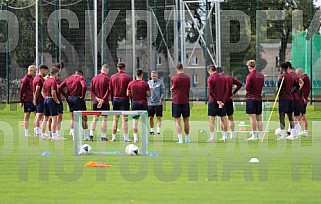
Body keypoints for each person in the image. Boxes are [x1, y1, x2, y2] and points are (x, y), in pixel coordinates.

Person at [59, 70, 88, 140]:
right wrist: (82, 96)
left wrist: (66, 96)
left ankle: (74, 136)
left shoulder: (68, 78)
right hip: (78, 98)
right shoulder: (80, 78)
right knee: (83, 117)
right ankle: (86, 136)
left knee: (73, 117)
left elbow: (59, 87)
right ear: (81, 74)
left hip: (70, 99)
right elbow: (84, 86)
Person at [110, 62, 132, 142]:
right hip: (124, 99)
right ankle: (125, 137)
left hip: (115, 99)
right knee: (125, 119)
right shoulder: (127, 77)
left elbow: (110, 90)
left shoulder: (112, 77)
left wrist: (112, 100)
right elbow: (130, 90)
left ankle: (114, 137)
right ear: (124, 68)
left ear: (117, 68)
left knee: (115, 119)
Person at [127, 68, 151, 143]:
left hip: (134, 103)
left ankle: (135, 138)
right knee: (144, 122)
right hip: (143, 103)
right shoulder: (145, 84)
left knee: (135, 122)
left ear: (135, 75)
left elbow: (127, 94)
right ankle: (144, 138)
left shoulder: (131, 84)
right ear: (142, 75)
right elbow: (148, 94)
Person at [218, 67, 242, 140]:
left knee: (222, 118)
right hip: (229, 99)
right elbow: (239, 84)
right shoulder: (229, 78)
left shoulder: (218, 79)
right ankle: (232, 134)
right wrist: (233, 93)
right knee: (230, 117)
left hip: (222, 100)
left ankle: (224, 135)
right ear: (223, 71)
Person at [206, 65, 228, 142]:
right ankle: (225, 136)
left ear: (210, 71)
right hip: (222, 101)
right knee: (223, 118)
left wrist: (217, 101)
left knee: (212, 119)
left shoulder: (210, 78)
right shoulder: (223, 78)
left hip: (213, 101)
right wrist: (222, 101)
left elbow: (210, 91)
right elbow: (226, 90)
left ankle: (212, 137)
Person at [170, 63, 191, 144]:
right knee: (186, 120)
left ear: (176, 69)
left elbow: (173, 87)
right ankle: (187, 138)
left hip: (176, 101)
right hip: (185, 100)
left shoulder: (174, 78)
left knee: (177, 121)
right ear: (183, 68)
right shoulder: (188, 78)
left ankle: (180, 139)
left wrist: (172, 89)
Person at [89, 64, 111, 141]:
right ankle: (103, 136)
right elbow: (108, 91)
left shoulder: (94, 78)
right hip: (104, 102)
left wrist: (97, 98)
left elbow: (91, 90)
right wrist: (103, 99)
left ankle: (91, 135)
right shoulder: (108, 79)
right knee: (104, 119)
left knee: (94, 118)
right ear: (106, 70)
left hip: (96, 101)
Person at [245, 60, 265, 140]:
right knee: (259, 117)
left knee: (252, 117)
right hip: (259, 98)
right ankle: (260, 135)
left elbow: (247, 88)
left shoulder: (249, 76)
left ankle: (254, 135)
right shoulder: (261, 75)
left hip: (251, 98)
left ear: (248, 66)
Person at [40, 67, 60, 140]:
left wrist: (45, 97)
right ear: (56, 73)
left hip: (46, 100)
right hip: (51, 100)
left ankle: (42, 135)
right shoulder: (53, 81)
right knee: (54, 118)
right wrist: (56, 100)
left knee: (45, 119)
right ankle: (54, 136)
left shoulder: (45, 81)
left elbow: (42, 91)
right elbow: (53, 92)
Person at [277, 63, 295, 140]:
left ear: (282, 68)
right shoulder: (291, 76)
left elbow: (279, 86)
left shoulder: (282, 76)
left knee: (282, 116)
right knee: (290, 117)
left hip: (283, 98)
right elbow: (297, 85)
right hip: (290, 98)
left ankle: (282, 135)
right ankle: (293, 134)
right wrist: (291, 92)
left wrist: (278, 94)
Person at [20, 65, 37, 136]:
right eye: (34, 72)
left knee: (38, 114)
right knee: (27, 115)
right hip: (27, 100)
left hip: (32, 99)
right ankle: (26, 132)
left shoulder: (31, 78)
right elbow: (22, 90)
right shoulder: (25, 79)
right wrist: (21, 100)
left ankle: (37, 131)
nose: (35, 73)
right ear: (30, 71)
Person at [147, 70, 165, 135]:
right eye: (152, 76)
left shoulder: (160, 82)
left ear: (157, 76)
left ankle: (158, 130)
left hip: (158, 103)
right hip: (150, 103)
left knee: (159, 117)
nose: (154, 77)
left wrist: (161, 98)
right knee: (150, 117)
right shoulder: (148, 82)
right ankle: (152, 130)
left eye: (155, 76)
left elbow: (163, 91)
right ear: (151, 76)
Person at [33, 64, 48, 137]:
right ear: (42, 69)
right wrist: (35, 99)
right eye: (45, 70)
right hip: (40, 100)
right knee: (39, 115)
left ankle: (37, 130)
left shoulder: (37, 78)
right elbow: (37, 90)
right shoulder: (39, 79)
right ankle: (37, 131)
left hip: (39, 99)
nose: (46, 72)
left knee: (39, 116)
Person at [286, 62, 301, 137]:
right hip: (295, 97)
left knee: (291, 115)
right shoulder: (294, 75)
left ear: (288, 67)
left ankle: (299, 130)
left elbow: (297, 85)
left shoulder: (291, 75)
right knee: (292, 115)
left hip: (293, 98)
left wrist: (290, 92)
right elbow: (301, 83)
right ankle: (290, 131)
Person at [296, 68, 311, 137]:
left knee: (298, 116)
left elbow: (299, 83)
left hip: (303, 100)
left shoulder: (304, 77)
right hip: (303, 99)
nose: (297, 76)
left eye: (298, 74)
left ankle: (298, 131)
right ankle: (305, 132)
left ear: (302, 73)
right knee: (302, 116)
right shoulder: (305, 77)